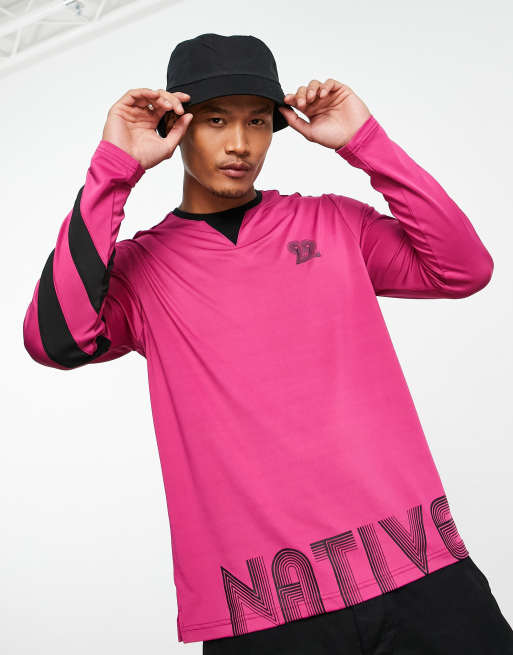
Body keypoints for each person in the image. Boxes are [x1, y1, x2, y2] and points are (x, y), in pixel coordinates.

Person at [22, 33, 513, 654]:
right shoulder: (142, 271)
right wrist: (115, 169)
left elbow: (464, 269)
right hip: (267, 613)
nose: (240, 143)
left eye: (257, 121)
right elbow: (55, 340)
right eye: (216, 120)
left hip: (419, 571)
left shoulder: (334, 223)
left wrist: (366, 143)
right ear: (176, 127)